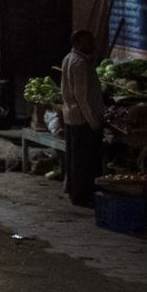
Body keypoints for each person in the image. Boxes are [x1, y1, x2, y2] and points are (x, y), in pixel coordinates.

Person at [60, 29, 105, 208]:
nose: (92, 45)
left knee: (75, 158)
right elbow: (82, 97)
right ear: (78, 43)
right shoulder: (79, 64)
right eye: (88, 42)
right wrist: (93, 122)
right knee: (84, 161)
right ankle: (82, 195)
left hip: (72, 116)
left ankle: (76, 192)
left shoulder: (69, 59)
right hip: (81, 119)